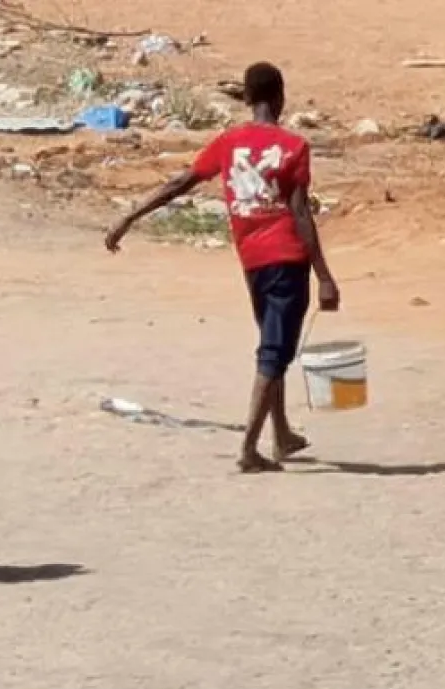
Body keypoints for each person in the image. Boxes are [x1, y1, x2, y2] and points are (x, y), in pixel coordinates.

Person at [104, 61, 341, 473]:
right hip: (287, 258)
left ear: (247, 99)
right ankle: (250, 448)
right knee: (274, 352)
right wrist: (324, 276)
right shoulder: (293, 147)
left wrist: (129, 216)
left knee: (274, 345)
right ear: (281, 98)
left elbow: (180, 182)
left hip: (252, 262)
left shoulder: (229, 143)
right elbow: (301, 214)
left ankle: (281, 434)